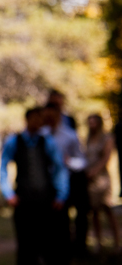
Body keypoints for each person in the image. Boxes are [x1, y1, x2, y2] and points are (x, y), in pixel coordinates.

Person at [0, 107, 69, 265]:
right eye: (35, 118)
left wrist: (61, 194)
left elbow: (59, 168)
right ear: (28, 119)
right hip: (23, 199)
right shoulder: (14, 141)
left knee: (47, 243)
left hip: (45, 199)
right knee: (25, 244)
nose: (38, 122)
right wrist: (8, 193)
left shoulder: (47, 141)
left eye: (40, 119)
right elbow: (3, 167)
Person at [42, 101, 88, 256]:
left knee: (66, 217)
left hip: (69, 181)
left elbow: (81, 161)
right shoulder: (41, 134)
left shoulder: (70, 135)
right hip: (47, 183)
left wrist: (69, 162)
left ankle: (71, 249)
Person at [85, 113, 120, 253]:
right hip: (90, 180)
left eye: (93, 122)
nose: (91, 125)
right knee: (94, 212)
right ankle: (98, 242)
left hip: (103, 179)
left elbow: (106, 157)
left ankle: (117, 242)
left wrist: (95, 170)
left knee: (108, 209)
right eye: (89, 122)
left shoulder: (107, 137)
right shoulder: (88, 138)